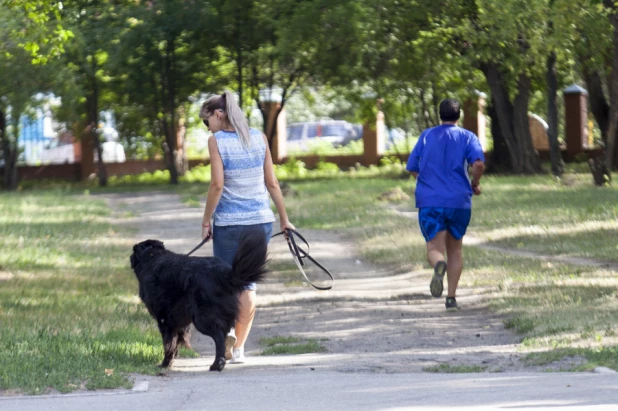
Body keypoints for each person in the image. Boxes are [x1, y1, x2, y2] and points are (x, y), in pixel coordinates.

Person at [200, 91, 295, 363]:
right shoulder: (259, 138)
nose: (207, 128)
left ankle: (227, 332)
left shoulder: (216, 141)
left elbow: (217, 184)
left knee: (225, 282)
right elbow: (272, 183)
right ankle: (239, 348)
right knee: (248, 285)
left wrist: (207, 220)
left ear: (218, 115)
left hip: (230, 224)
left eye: (206, 122)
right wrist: (284, 219)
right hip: (260, 222)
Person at [406, 98, 485, 311]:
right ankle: (451, 298)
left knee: (434, 248)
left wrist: (426, 182)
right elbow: (477, 164)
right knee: (456, 249)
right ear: (458, 116)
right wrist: (474, 183)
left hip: (430, 201)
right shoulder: (468, 137)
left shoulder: (426, 136)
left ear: (440, 114)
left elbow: (412, 166)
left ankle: (439, 264)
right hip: (459, 201)